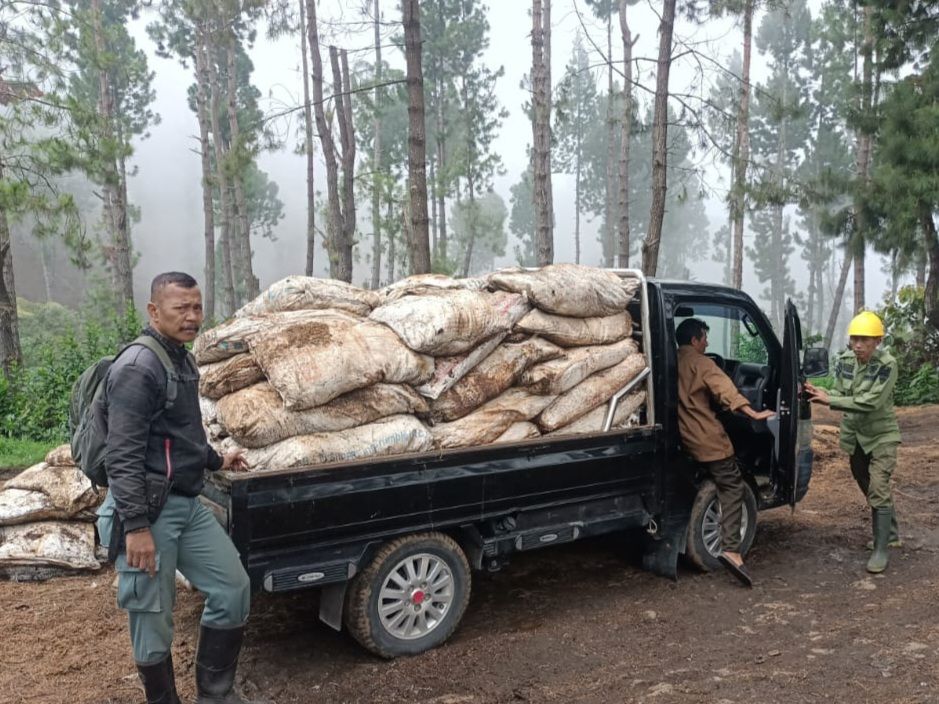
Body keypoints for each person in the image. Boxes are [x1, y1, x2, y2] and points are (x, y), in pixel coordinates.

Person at [96, 272, 264, 704]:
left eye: (197, 307)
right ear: (154, 311)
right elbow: (122, 456)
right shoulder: (138, 368)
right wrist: (135, 527)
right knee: (152, 618)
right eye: (180, 308)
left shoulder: (181, 359)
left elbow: (182, 434)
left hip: (185, 504)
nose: (192, 317)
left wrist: (214, 459)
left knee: (232, 588)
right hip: (147, 512)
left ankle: (215, 694)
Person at [675, 318, 775, 587]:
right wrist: (752, 411)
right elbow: (726, 390)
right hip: (705, 438)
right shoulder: (703, 363)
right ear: (695, 340)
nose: (707, 343)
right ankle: (731, 549)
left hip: (682, 437)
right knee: (732, 485)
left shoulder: (673, 360)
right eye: (704, 338)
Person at [804, 310, 901, 574]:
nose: (857, 345)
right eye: (854, 339)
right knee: (865, 480)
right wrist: (823, 393)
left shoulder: (887, 364)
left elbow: (871, 402)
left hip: (881, 436)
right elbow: (842, 391)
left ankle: (881, 550)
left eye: (864, 340)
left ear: (877, 341)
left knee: (879, 485)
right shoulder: (846, 360)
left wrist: (830, 401)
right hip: (855, 436)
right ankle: (891, 532)